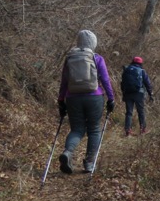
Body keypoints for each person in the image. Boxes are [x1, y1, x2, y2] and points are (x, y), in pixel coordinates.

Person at [57, 30, 115, 174]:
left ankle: (68, 152)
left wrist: (61, 100)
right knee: (94, 129)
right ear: (93, 43)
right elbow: (105, 80)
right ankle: (89, 163)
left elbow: (64, 81)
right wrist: (111, 98)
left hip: (72, 98)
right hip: (94, 97)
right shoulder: (97, 58)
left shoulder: (70, 58)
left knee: (76, 129)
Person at [121, 56, 154, 136]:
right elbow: (147, 84)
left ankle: (127, 130)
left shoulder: (126, 70)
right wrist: (150, 94)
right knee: (141, 112)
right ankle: (143, 129)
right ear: (140, 63)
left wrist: (124, 93)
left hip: (128, 93)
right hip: (139, 94)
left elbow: (122, 83)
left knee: (129, 112)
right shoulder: (142, 71)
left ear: (132, 62)